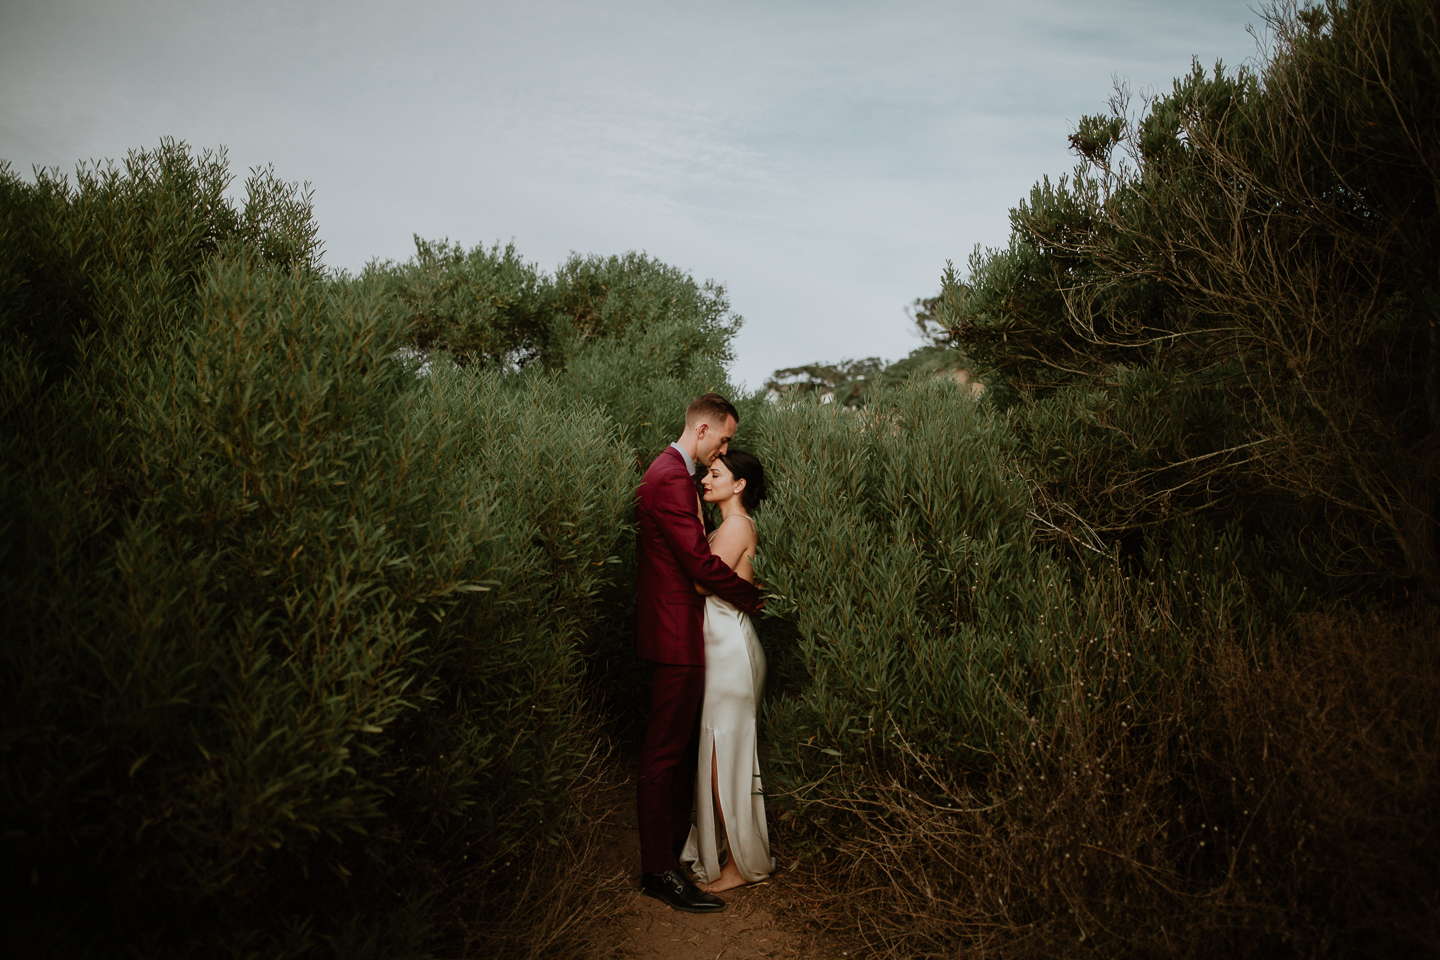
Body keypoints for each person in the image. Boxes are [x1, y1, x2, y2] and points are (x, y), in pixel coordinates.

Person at [634, 393, 762, 914]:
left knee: (679, 752)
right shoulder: (668, 476)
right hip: (676, 633)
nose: (725, 450)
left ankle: (672, 856)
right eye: (725, 439)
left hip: (687, 632)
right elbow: (696, 565)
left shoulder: (675, 475)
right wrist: (754, 598)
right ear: (704, 430)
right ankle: (657, 870)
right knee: (665, 755)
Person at [681, 449, 775, 892]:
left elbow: (703, 580)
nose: (705, 479)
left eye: (715, 474)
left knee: (727, 762)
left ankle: (742, 864)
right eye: (706, 473)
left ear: (738, 485)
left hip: (731, 653)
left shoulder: (736, 525)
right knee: (726, 759)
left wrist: (695, 526)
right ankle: (734, 853)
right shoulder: (729, 526)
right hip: (725, 649)